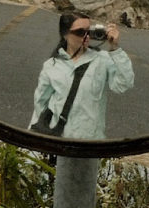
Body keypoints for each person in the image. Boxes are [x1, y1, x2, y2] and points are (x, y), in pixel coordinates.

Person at [30, 11, 134, 140]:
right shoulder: (51, 65)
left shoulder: (102, 60)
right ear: (65, 34)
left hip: (90, 142)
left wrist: (115, 48)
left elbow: (123, 85)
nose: (86, 37)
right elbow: (40, 104)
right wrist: (35, 138)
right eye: (80, 32)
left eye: (88, 31)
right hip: (59, 140)